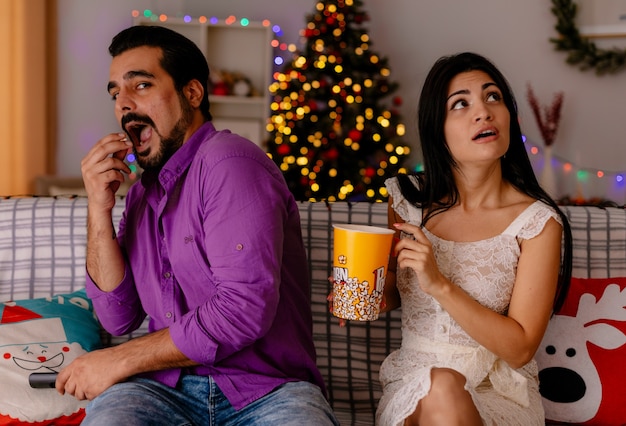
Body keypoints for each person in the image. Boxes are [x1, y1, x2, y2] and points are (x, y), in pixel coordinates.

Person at [56, 25, 338, 426]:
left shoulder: (230, 162)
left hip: (266, 391)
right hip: (161, 390)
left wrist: (118, 358)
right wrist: (99, 210)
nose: (123, 103)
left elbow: (243, 310)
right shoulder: (140, 195)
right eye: (116, 92)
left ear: (192, 93)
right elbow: (118, 317)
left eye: (141, 86)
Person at [375, 52, 573, 425]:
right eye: (461, 104)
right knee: (441, 384)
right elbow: (393, 291)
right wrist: (361, 296)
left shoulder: (538, 224)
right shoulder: (407, 202)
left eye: (492, 96)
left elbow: (520, 349)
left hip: (499, 392)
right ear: (438, 128)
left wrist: (439, 284)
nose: (483, 111)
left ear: (509, 116)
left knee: (447, 386)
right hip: (413, 386)